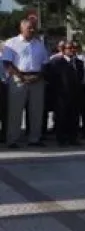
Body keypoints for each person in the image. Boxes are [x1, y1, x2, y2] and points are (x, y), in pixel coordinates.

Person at [2, 19, 49, 148]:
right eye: (29, 28)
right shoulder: (11, 43)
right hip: (18, 79)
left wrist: (39, 76)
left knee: (36, 111)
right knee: (15, 111)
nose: (32, 30)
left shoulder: (39, 44)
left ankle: (34, 138)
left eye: (33, 27)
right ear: (21, 28)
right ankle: (12, 139)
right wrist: (21, 77)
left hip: (37, 79)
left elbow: (45, 62)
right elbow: (7, 63)